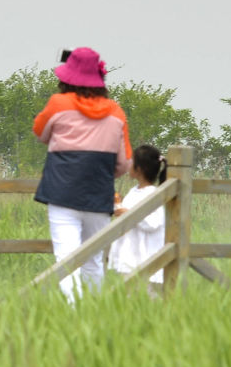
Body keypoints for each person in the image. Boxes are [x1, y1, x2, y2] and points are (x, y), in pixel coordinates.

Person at [32, 47, 134, 301]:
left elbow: (40, 132)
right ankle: (93, 312)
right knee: (94, 260)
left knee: (67, 260)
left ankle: (73, 313)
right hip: (99, 195)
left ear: (67, 78)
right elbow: (124, 163)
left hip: (61, 193)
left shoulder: (58, 103)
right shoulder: (116, 112)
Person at [109, 144, 171, 288]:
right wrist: (117, 205)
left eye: (132, 161)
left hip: (146, 260)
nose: (128, 164)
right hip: (131, 257)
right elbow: (125, 215)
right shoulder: (133, 192)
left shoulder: (154, 194)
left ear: (139, 169)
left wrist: (129, 214)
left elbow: (153, 223)